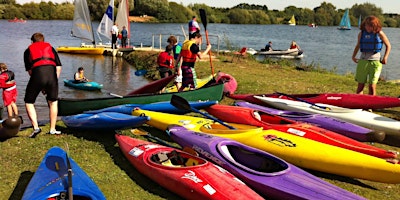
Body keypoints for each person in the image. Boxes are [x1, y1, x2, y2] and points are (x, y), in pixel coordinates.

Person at [24, 32, 62, 138]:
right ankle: (53, 129)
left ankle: (36, 128)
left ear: (32, 41)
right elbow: (58, 67)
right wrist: (54, 81)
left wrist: (40, 85)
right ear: (43, 40)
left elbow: (30, 71)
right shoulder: (50, 48)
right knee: (53, 102)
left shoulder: (28, 51)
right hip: (52, 75)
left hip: (38, 74)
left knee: (29, 101)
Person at [351, 15, 391, 96]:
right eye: (366, 25)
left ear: (375, 26)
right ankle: (359, 104)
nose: (368, 27)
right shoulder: (361, 33)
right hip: (363, 61)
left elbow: (388, 46)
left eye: (370, 25)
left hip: (375, 62)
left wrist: (385, 57)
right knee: (360, 86)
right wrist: (353, 56)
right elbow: (358, 45)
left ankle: (370, 106)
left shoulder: (380, 33)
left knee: (372, 86)